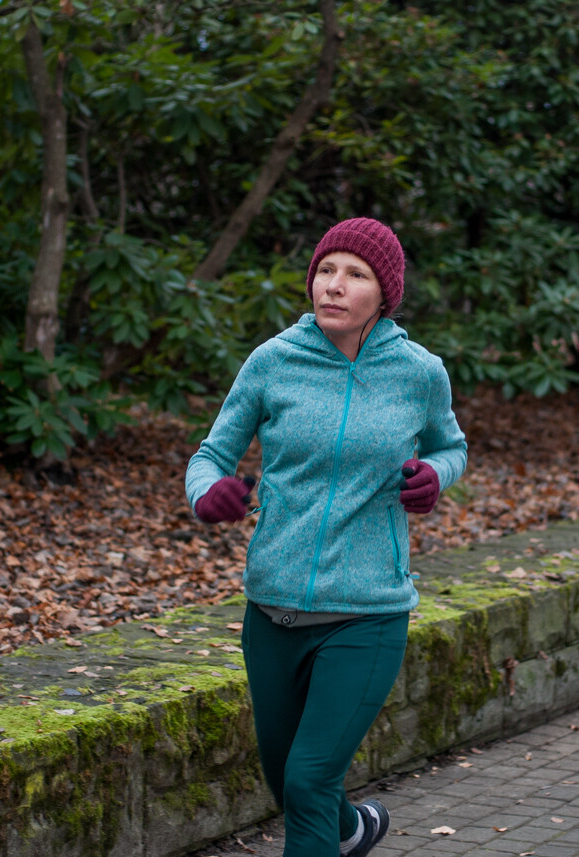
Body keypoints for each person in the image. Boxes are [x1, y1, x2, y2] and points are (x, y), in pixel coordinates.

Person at [185, 217, 468, 856]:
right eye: (326, 270)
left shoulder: (419, 373)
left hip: (366, 613)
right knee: (289, 785)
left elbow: (452, 446)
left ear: (384, 293)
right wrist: (208, 494)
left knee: (310, 780)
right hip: (272, 607)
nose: (333, 286)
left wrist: (435, 475)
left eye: (355, 274)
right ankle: (355, 830)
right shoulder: (272, 361)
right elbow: (210, 455)